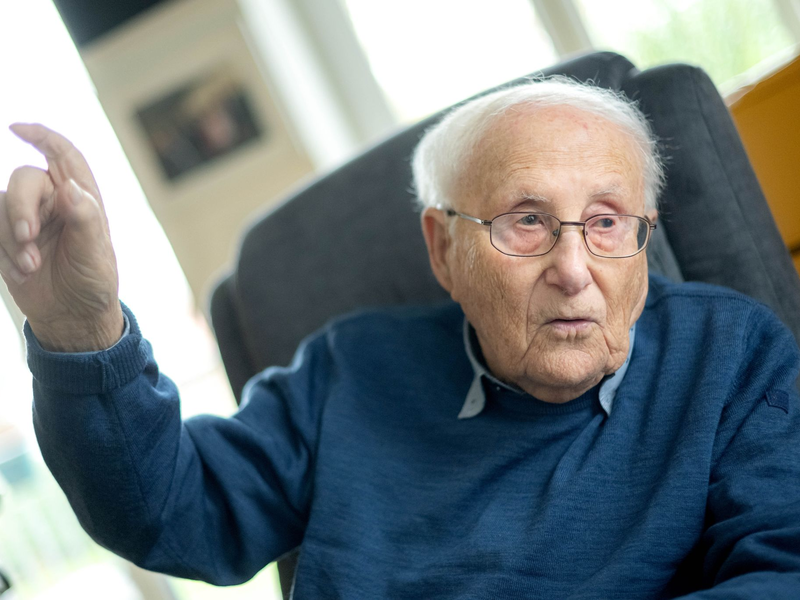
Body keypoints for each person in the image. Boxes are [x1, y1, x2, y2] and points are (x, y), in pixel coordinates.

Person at [1, 78, 799, 598]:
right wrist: (81, 332)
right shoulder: (349, 372)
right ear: (443, 249)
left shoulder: (731, 358)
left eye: (606, 222)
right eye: (526, 220)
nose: (573, 268)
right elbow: (168, 511)